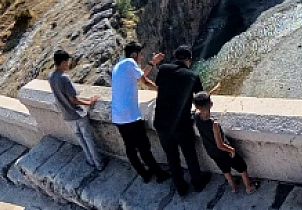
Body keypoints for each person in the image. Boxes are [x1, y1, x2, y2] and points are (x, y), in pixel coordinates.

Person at [152, 46, 210, 196]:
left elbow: (159, 87)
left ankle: (181, 187)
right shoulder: (192, 76)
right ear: (189, 60)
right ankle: (198, 182)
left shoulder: (164, 69)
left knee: (171, 156)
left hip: (161, 122)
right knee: (190, 155)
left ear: (176, 57)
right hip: (181, 124)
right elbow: (200, 99)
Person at [111, 42, 167, 182]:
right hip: (130, 116)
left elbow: (142, 80)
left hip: (117, 116)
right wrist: (153, 63)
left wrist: (157, 88)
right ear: (134, 54)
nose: (141, 58)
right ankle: (159, 175)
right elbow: (143, 78)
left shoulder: (119, 65)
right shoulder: (129, 62)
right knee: (144, 147)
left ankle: (144, 175)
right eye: (141, 55)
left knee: (130, 148)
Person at [193, 92, 256, 194]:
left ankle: (233, 188)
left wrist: (209, 94)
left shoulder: (196, 117)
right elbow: (220, 144)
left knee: (225, 170)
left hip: (211, 152)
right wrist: (231, 150)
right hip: (224, 152)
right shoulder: (214, 124)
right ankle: (248, 187)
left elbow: (198, 108)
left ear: (196, 106)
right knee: (241, 167)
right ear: (211, 104)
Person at [50, 50, 103, 167]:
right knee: (88, 139)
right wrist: (89, 103)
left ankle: (90, 160)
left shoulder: (51, 77)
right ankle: (99, 163)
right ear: (63, 63)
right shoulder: (64, 78)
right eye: (67, 62)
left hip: (67, 115)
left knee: (80, 139)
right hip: (77, 114)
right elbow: (73, 99)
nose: (68, 64)